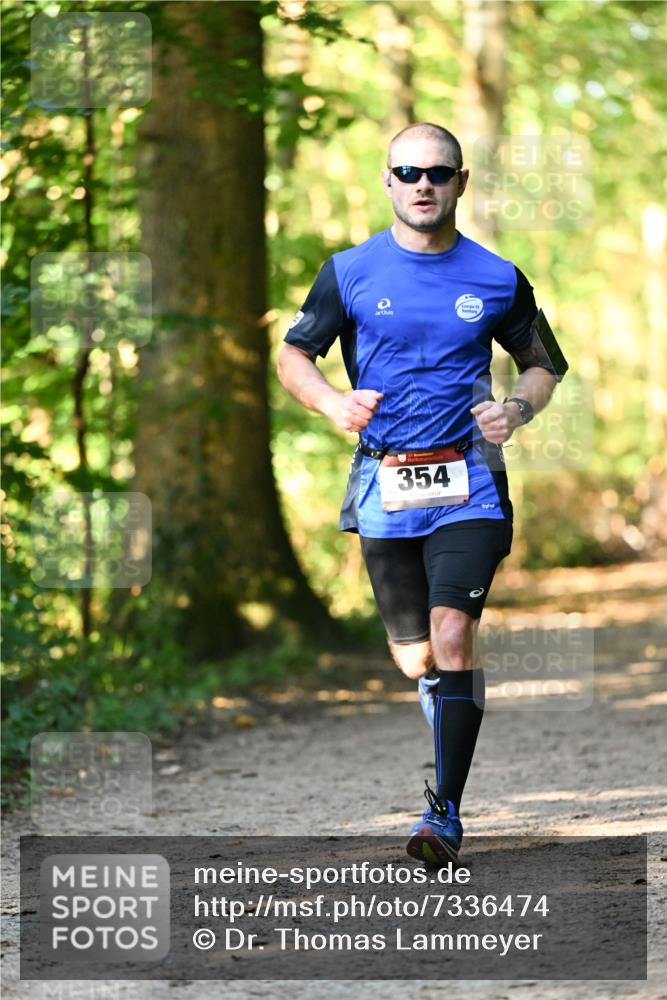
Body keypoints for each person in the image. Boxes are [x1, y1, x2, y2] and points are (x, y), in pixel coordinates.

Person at [277, 122, 567, 865]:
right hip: (384, 480)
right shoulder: (348, 271)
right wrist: (329, 403)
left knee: (450, 636)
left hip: (469, 480)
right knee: (414, 659)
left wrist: (517, 409)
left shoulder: (496, 275)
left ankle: (443, 811)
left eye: (437, 172)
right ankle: (444, 722)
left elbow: (541, 365)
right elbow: (293, 355)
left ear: (460, 182)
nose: (422, 184)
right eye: (406, 172)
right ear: (387, 182)